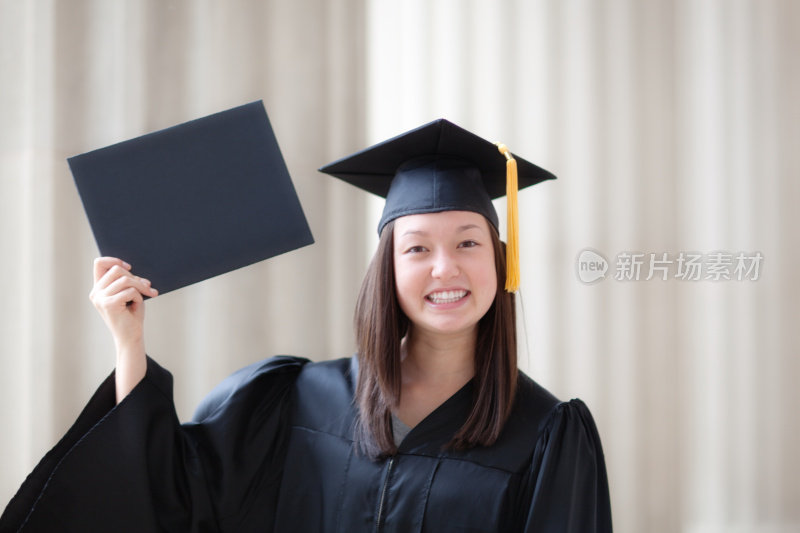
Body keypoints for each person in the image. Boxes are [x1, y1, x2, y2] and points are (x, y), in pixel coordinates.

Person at [1, 119, 612, 532]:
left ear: (500, 262)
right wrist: (129, 344)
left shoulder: (545, 437)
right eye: (417, 249)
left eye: (468, 242)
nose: (445, 267)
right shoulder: (295, 401)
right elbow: (173, 500)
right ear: (387, 271)